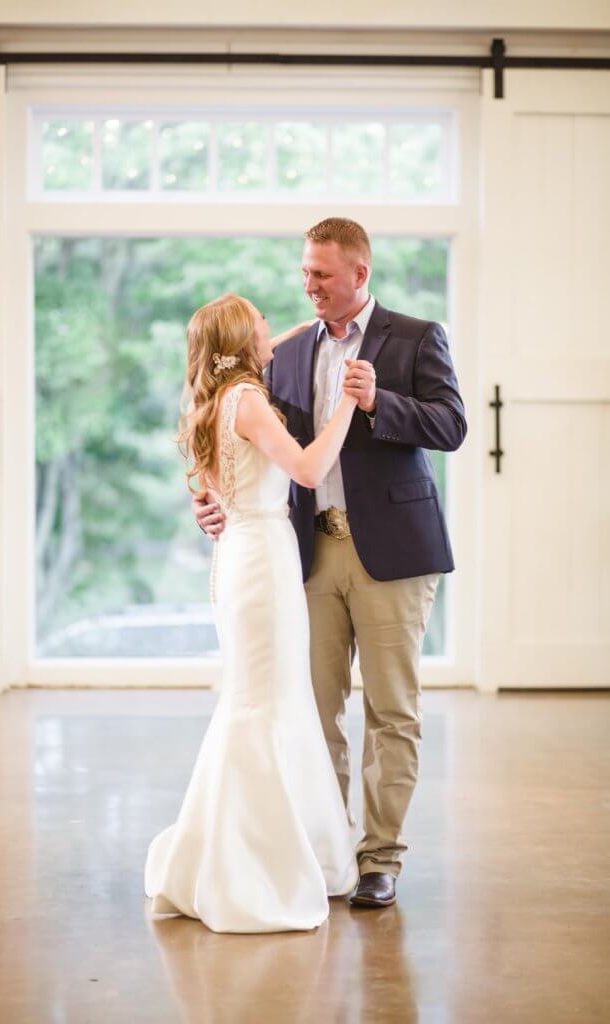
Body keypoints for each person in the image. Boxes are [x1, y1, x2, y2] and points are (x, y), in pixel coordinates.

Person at [194, 218, 467, 909]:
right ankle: (323, 851)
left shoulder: (414, 336)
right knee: (313, 708)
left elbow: (451, 426)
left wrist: (379, 400)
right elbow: (234, 431)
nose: (307, 285)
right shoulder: (285, 352)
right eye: (304, 271)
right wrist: (209, 499)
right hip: (303, 554)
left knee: (391, 710)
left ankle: (380, 859)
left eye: (320, 274)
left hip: (392, 554)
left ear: (358, 274)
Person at [144, 292, 363, 933]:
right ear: (245, 343)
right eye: (263, 327)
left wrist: (312, 326)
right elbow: (307, 466)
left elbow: (278, 339)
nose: (276, 333)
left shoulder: (211, 403)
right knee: (267, 703)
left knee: (259, 698)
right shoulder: (249, 402)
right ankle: (254, 862)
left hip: (238, 556)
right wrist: (348, 400)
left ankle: (247, 845)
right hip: (264, 560)